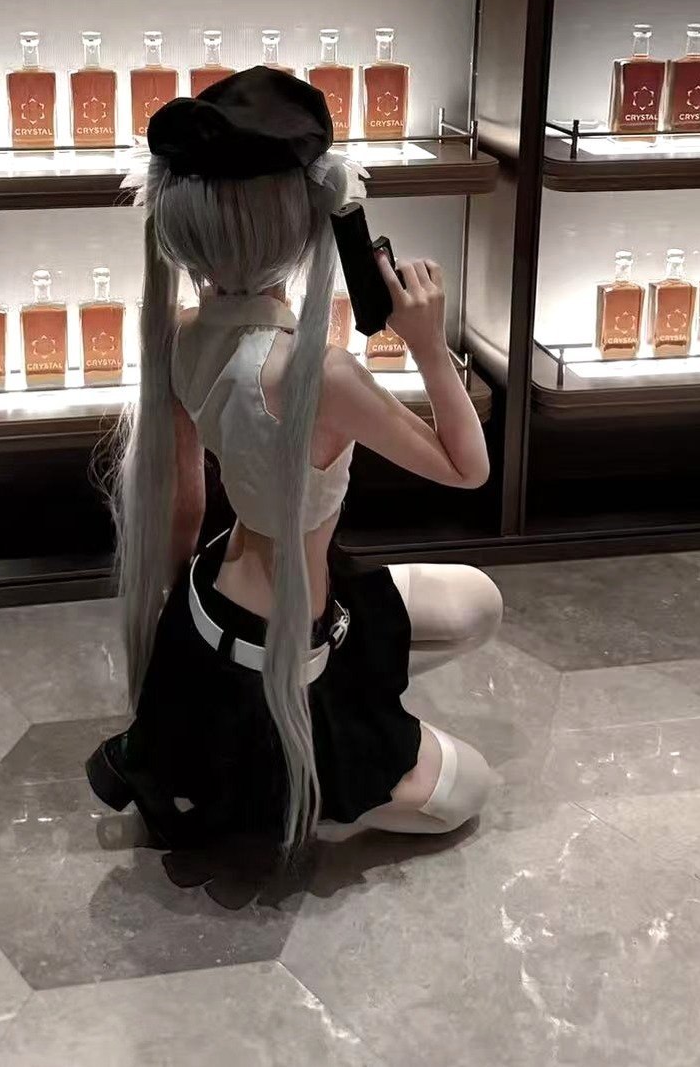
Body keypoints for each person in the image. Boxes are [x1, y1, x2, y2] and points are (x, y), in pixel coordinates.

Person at [86, 66, 501, 851]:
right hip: (277, 649)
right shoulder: (316, 374)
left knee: (477, 600)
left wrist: (180, 653)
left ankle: (320, 723)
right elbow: (467, 467)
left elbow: (182, 502)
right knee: (468, 787)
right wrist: (426, 343)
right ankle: (316, 795)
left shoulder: (178, 333)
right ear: (307, 224)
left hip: (227, 597)